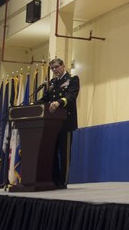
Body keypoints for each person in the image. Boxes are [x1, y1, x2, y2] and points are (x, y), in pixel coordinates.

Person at [39, 57, 80, 189]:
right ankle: (54, 180)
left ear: (63, 66)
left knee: (64, 154)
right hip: (52, 125)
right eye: (53, 68)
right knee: (52, 152)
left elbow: (71, 97)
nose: (55, 70)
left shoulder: (73, 79)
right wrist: (32, 105)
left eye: (57, 67)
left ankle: (63, 181)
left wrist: (58, 102)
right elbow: (45, 99)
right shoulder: (52, 83)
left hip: (66, 122)